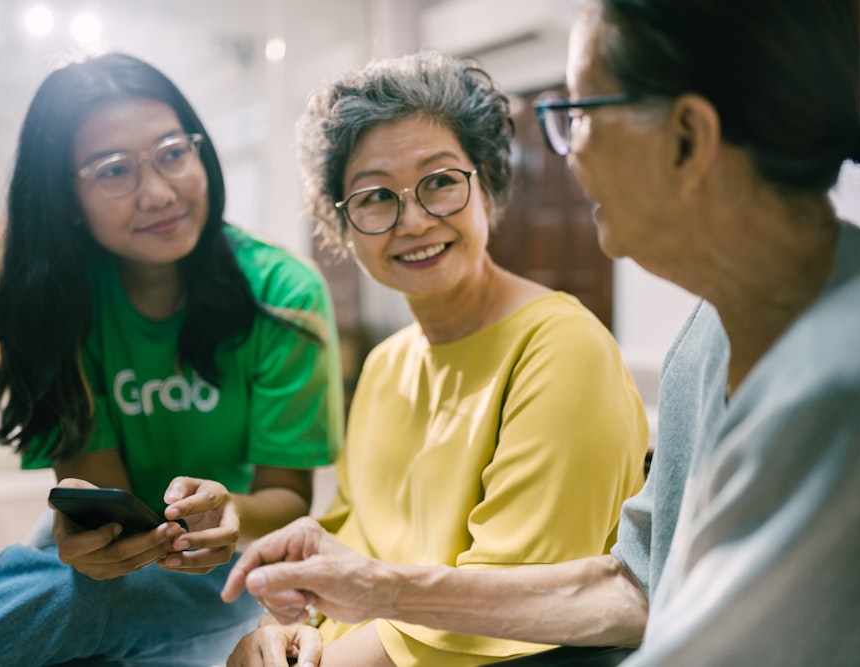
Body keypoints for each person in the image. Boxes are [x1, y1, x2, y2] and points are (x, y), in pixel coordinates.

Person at [222, 0, 860, 665]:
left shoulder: (856, 370)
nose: (569, 153)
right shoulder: (708, 335)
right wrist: (363, 592)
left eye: (580, 114)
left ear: (689, 136)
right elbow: (633, 583)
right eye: (377, 197)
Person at [0, 53, 343, 667]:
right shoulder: (56, 307)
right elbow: (96, 490)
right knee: (22, 591)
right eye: (114, 171)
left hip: (231, 556)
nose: (159, 193)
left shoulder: (283, 294)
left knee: (23, 605)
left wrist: (230, 512)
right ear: (67, 200)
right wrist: (86, 533)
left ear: (200, 151)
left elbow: (288, 500)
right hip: (120, 552)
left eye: (171, 153)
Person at [224, 50, 650, 667]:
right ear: (341, 227)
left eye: (441, 181)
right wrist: (284, 628)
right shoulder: (384, 364)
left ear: (487, 184)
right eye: (374, 198)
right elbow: (348, 537)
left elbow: (511, 613)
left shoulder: (560, 346)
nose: (414, 220)